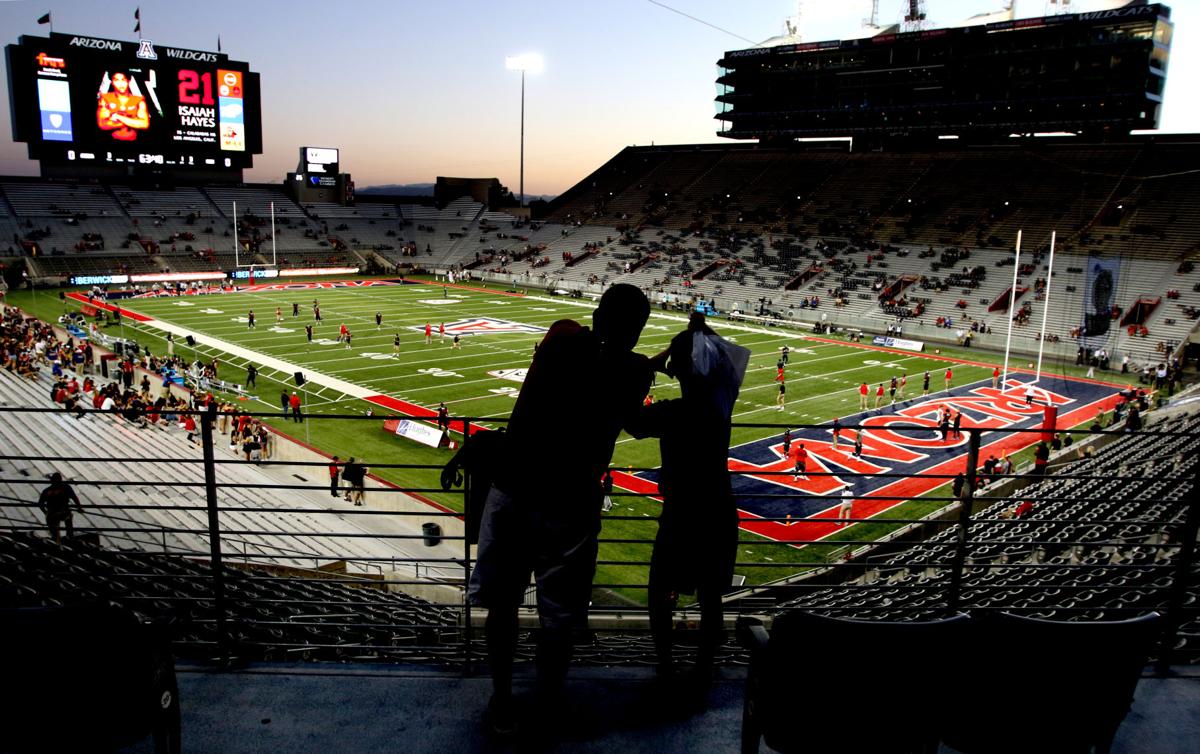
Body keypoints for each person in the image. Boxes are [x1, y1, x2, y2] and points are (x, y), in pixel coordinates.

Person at [469, 283, 652, 735]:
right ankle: (548, 702)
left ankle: (502, 699)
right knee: (560, 618)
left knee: (503, 605)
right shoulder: (632, 372)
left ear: (598, 315)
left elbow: (583, 344)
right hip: (569, 503)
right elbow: (636, 417)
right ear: (635, 331)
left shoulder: (562, 338)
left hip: (514, 488)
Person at [625, 314, 749, 690]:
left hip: (681, 513)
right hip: (718, 508)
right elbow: (732, 358)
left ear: (676, 370)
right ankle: (703, 669)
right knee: (711, 598)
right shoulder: (720, 406)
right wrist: (699, 332)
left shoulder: (674, 412)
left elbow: (632, 421)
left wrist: (652, 363)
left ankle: (665, 665)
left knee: (660, 592)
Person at [96, 71, 149, 141]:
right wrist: (133, 121)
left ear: (128, 81)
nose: (121, 84)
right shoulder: (105, 98)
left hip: (135, 141)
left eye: (123, 80)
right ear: (112, 82)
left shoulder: (139, 100)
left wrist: (118, 116)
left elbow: (144, 124)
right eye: (116, 80)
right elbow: (103, 124)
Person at [38, 472, 83, 545]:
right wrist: (79, 508)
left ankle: (56, 541)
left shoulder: (46, 490)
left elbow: (40, 504)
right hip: (63, 512)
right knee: (68, 517)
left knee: (54, 527)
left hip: (51, 514)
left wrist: (46, 513)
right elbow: (74, 497)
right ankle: (69, 537)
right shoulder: (65, 487)